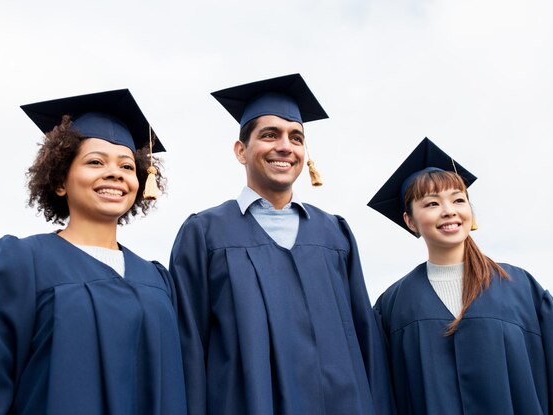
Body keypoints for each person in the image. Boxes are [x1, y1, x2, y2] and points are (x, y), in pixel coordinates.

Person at [0, 89, 187, 414]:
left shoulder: (157, 279)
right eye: (95, 162)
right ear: (60, 180)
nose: (116, 173)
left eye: (128, 166)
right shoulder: (21, 263)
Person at [169, 74, 394, 415]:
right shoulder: (205, 233)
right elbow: (188, 347)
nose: (285, 147)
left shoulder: (335, 235)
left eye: (296, 138)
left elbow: (367, 342)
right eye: (269, 135)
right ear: (241, 150)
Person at [368, 137, 553, 414]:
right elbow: (381, 395)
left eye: (458, 200)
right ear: (410, 221)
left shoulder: (521, 289)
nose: (449, 211)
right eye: (431, 204)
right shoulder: (393, 305)